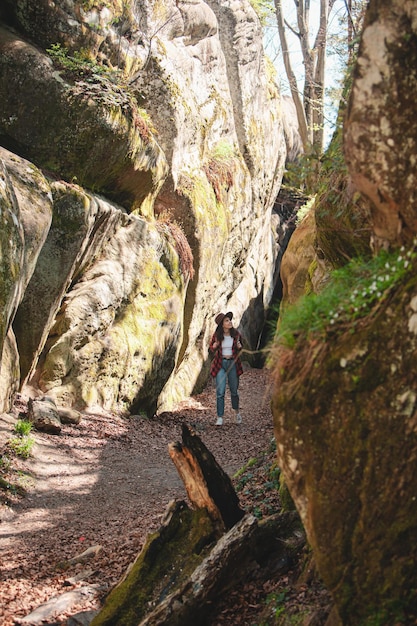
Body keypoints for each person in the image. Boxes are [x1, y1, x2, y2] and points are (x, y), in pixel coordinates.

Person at [209, 311, 243, 426]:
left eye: (230, 320)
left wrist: (239, 347)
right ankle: (220, 417)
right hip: (220, 364)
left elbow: (240, 347)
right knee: (220, 392)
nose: (230, 322)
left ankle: (237, 412)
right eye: (227, 321)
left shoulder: (236, 334)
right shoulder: (217, 336)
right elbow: (211, 348)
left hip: (233, 364)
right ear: (222, 324)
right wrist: (214, 346)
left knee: (234, 391)